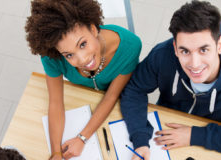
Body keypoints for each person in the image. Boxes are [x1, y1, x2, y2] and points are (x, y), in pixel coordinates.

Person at [120, 0, 221, 159]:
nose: (194, 64)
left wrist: (195, 135)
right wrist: (140, 139)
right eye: (185, 51)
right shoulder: (162, 55)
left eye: (203, 50)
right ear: (175, 48)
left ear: (220, 45)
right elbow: (134, 89)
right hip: (165, 126)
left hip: (214, 138)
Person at [25, 0, 141, 159]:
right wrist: (56, 153)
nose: (83, 59)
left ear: (93, 29)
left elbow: (111, 96)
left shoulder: (129, 46)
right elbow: (55, 102)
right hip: (83, 99)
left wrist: (82, 138)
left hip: (121, 102)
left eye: (83, 44)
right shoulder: (52, 56)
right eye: (69, 55)